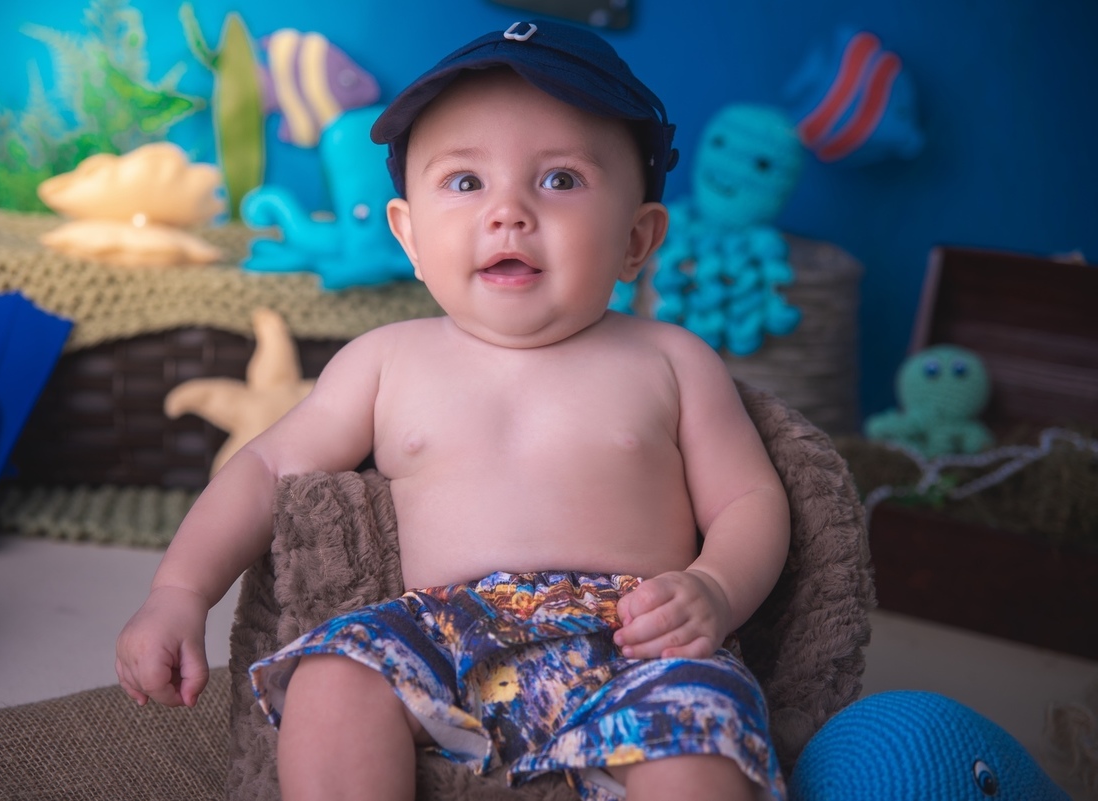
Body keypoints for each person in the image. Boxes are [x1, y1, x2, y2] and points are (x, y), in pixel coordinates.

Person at [116, 18, 791, 801]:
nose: (508, 212)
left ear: (637, 239)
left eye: (560, 179)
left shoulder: (671, 359)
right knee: (333, 676)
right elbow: (266, 467)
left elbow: (749, 496)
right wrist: (179, 591)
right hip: (443, 631)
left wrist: (714, 587)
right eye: (466, 183)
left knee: (702, 739)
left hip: (638, 638)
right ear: (408, 233)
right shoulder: (384, 361)